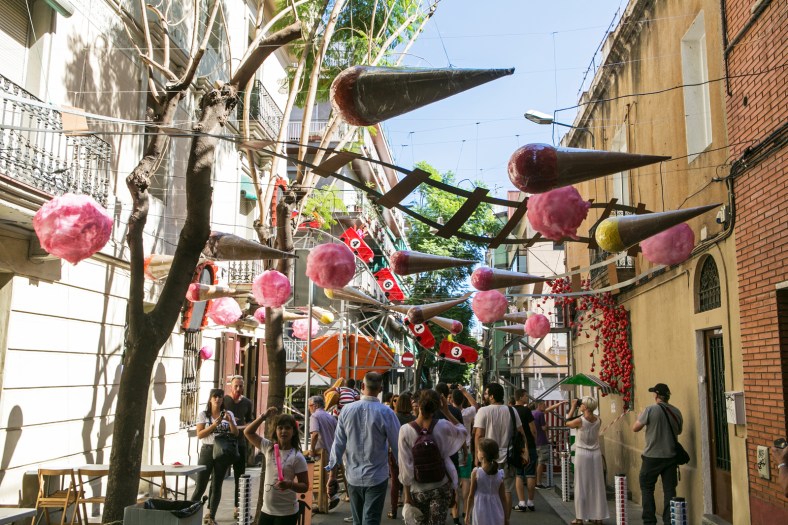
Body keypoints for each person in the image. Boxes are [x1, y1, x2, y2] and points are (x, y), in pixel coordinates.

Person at [327, 372, 401, 525]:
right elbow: (398, 448)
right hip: (377, 476)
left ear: (362, 386)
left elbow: (338, 445)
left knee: (357, 521)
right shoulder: (387, 413)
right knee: (371, 520)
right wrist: (406, 478)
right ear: (380, 389)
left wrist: (332, 476)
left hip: (353, 476)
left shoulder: (346, 411)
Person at [398, 389, 468, 525]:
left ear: (418, 404)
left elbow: (405, 466)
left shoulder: (405, 430)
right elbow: (462, 432)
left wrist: (407, 496)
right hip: (441, 485)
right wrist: (446, 411)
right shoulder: (443, 425)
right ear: (437, 406)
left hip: (418, 489)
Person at [244, 409, 309, 525]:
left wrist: (290, 484)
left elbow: (304, 486)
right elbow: (248, 432)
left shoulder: (297, 457)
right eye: (280, 428)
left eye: (288, 428)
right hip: (266, 511)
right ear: (276, 430)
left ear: (294, 432)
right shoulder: (268, 447)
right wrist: (263, 416)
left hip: (287, 513)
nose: (283, 431)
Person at [632, 383, 683, 525]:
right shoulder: (676, 411)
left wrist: (641, 416)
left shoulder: (650, 410)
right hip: (671, 457)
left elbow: (635, 428)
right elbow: (679, 431)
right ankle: (669, 521)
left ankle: (649, 521)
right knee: (670, 491)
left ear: (656, 395)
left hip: (651, 457)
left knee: (647, 488)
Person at [473, 383, 528, 512]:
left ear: (492, 396)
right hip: (509, 457)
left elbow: (479, 435)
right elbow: (521, 433)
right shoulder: (511, 410)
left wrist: (477, 455)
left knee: (487, 491)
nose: (485, 396)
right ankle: (505, 520)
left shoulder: (483, 411)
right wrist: (526, 453)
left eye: (486, 393)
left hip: (488, 456)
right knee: (507, 490)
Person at [191, 389, 238, 525]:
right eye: (215, 397)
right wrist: (214, 425)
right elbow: (200, 434)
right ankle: (190, 513)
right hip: (207, 450)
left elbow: (235, 433)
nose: (217, 399)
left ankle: (211, 516)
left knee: (217, 485)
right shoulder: (203, 415)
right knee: (201, 485)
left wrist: (230, 422)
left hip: (222, 452)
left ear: (223, 399)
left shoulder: (228, 414)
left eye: (220, 397)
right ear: (210, 399)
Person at [566, 397, 608, 525]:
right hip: (595, 453)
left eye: (582, 404)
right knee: (597, 485)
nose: (580, 405)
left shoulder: (579, 421)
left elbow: (567, 422)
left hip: (582, 453)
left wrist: (573, 407)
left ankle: (580, 517)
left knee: (581, 484)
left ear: (586, 407)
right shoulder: (598, 420)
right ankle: (598, 517)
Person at [224, 376, 255, 519]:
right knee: (218, 477)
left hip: (240, 443)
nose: (238, 389)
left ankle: (238, 507)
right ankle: (210, 510)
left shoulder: (247, 402)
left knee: (239, 476)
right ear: (231, 386)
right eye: (236, 386)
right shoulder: (224, 400)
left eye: (240, 386)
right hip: (224, 442)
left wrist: (239, 426)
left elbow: (250, 422)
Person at [306, 395, 338, 512]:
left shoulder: (315, 416)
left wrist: (311, 450)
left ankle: (319, 504)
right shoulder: (331, 418)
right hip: (331, 453)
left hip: (320, 452)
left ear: (315, 405)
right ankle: (332, 497)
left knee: (315, 478)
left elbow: (314, 434)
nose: (309, 408)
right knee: (326, 478)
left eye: (309, 406)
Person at [466, 438, 508, 525]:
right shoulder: (500, 474)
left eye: (478, 451)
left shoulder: (476, 473)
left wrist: (467, 514)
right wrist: (506, 518)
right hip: (497, 509)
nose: (477, 453)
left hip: (480, 510)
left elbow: (471, 496)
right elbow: (503, 498)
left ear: (482, 455)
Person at [388, 392, 416, 519]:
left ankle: (393, 510)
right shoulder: (414, 418)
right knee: (411, 481)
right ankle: (411, 508)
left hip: (395, 453)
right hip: (411, 453)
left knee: (394, 481)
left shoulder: (393, 417)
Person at [511, 389, 538, 512]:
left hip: (517, 446)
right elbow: (533, 429)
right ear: (521, 397)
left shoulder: (511, 410)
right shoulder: (526, 410)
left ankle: (521, 502)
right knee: (531, 473)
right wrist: (534, 441)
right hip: (529, 445)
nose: (527, 397)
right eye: (526, 396)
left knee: (519, 474)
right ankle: (531, 502)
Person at [532, 399, 564, 488]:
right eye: (544, 404)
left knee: (535, 462)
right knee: (541, 463)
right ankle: (538, 482)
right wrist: (547, 427)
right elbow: (543, 428)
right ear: (539, 405)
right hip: (542, 441)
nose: (545, 406)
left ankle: (533, 481)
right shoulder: (540, 414)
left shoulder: (532, 413)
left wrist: (558, 404)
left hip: (534, 441)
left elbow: (549, 409)